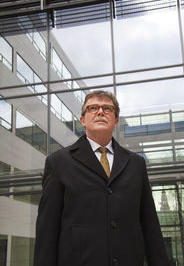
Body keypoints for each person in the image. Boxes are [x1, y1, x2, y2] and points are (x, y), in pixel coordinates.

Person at [34, 90, 170, 266]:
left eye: (107, 108)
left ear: (115, 121)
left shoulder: (136, 164)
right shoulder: (58, 163)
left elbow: (150, 224)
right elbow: (47, 231)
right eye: (92, 108)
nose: (100, 112)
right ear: (83, 120)